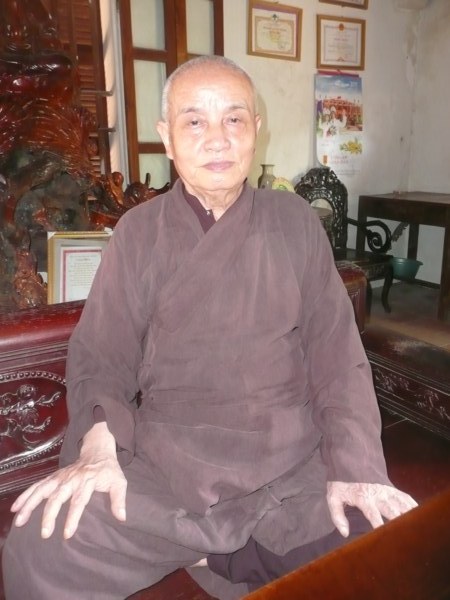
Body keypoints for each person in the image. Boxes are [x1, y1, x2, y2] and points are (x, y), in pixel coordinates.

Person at [2, 55, 417, 600]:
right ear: (167, 138)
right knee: (38, 544)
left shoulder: (295, 222)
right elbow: (103, 356)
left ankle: (222, 550)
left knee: (382, 542)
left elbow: (337, 357)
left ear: (256, 130)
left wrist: (355, 466)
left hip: (288, 465)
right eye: (195, 121)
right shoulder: (138, 232)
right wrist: (98, 447)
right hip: (171, 467)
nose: (218, 139)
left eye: (234, 119)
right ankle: (233, 550)